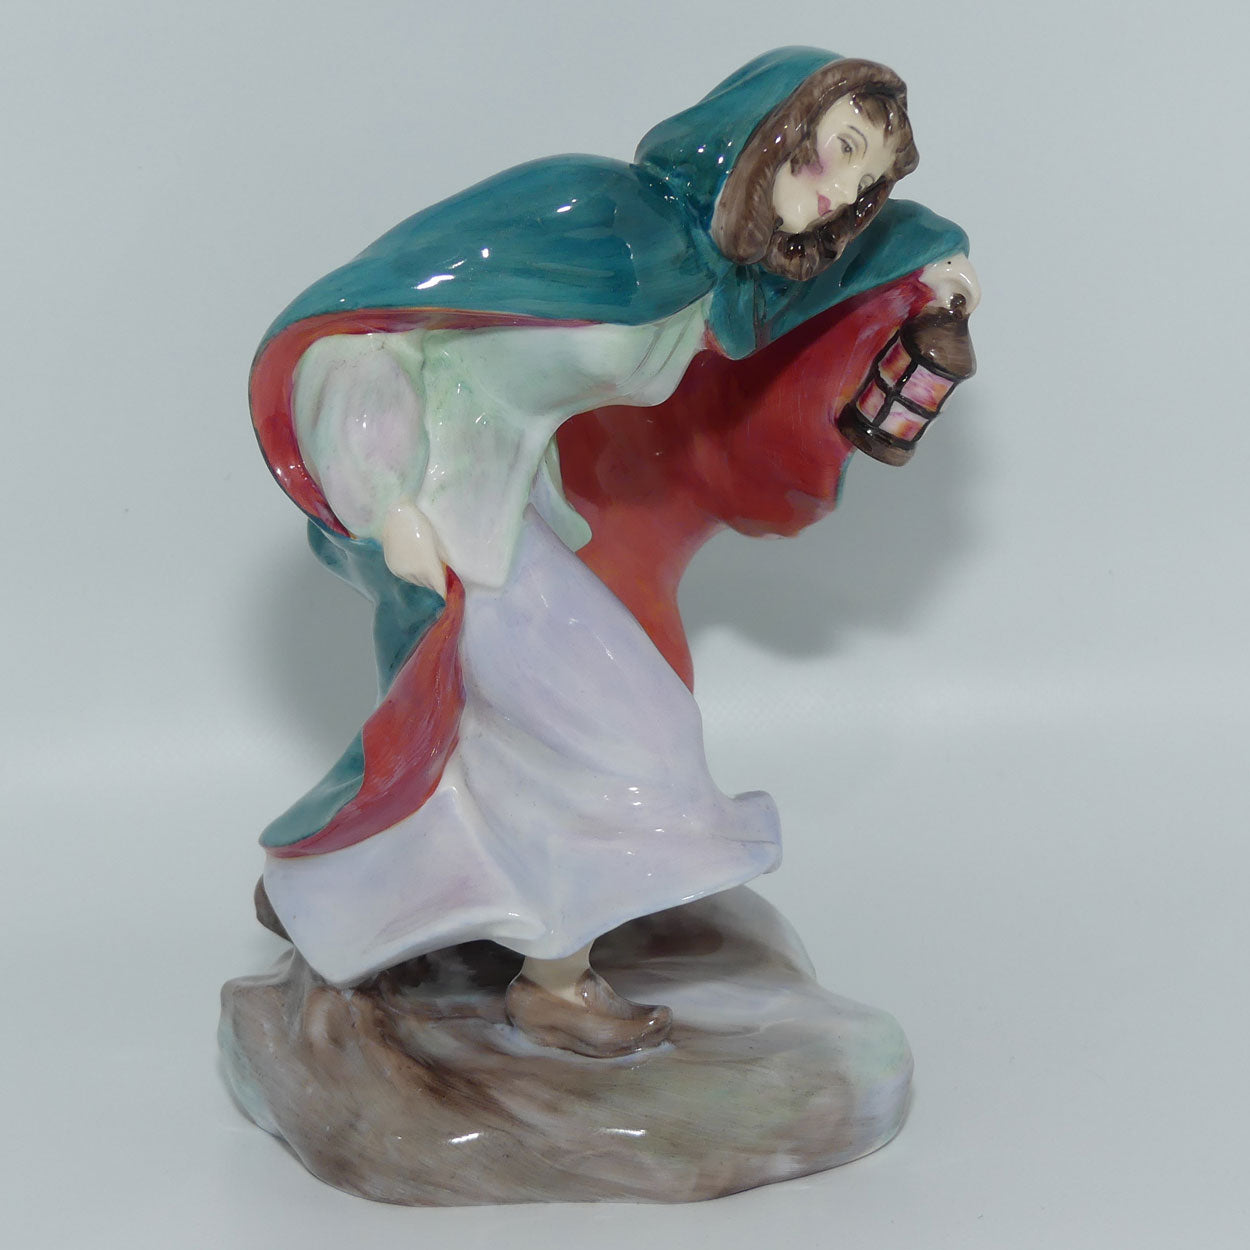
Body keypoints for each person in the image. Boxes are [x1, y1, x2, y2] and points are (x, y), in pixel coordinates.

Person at [248, 48, 974, 1057]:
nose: (843, 191)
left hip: (510, 510)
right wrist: (388, 497)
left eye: (866, 182)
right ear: (771, 126)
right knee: (624, 737)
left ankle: (350, 902)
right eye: (840, 147)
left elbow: (822, 285)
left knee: (502, 746)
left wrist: (931, 259)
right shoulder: (590, 210)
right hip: (446, 507)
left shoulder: (717, 282)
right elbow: (367, 335)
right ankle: (543, 978)